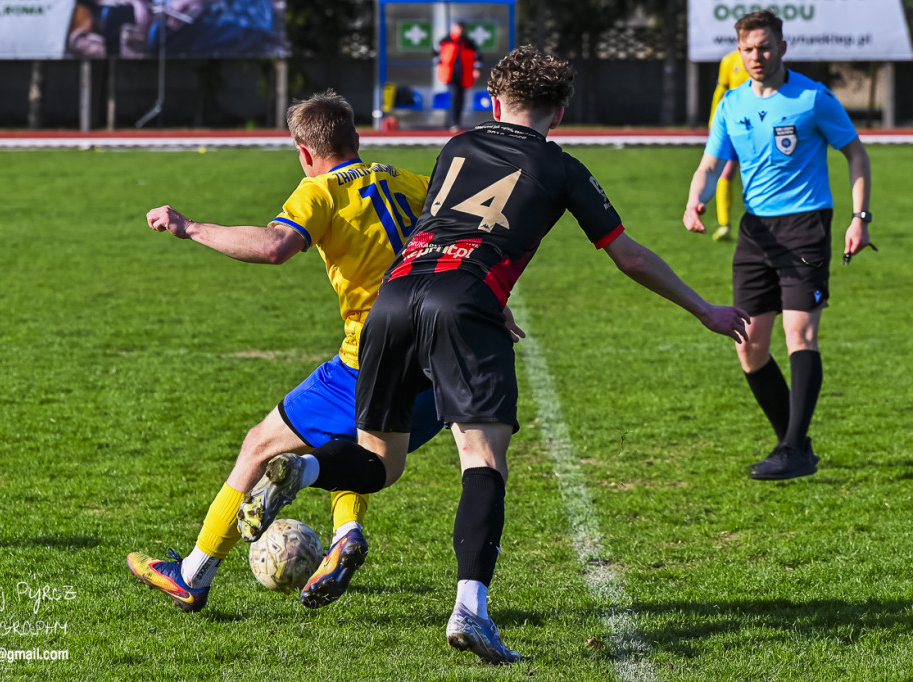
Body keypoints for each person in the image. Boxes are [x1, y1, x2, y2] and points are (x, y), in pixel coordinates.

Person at [235, 45, 750, 664]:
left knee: (381, 464)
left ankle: (307, 469)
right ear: (559, 112)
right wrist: (705, 310)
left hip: (393, 300)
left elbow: (429, 229)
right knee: (482, 459)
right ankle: (470, 612)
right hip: (466, 301)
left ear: (492, 103)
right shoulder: (563, 169)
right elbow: (629, 256)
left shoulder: (456, 144)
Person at [126, 90, 448, 613]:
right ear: (356, 140)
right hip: (439, 358)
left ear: (303, 152)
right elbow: (455, 221)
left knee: (260, 446)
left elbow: (275, 246)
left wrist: (190, 228)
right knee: (358, 451)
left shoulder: (316, 192)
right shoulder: (401, 179)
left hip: (369, 356)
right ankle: (346, 534)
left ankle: (192, 574)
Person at [683, 10, 872, 480]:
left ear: (783, 47)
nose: (756, 57)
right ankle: (798, 447)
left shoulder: (812, 98)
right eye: (747, 49)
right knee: (748, 345)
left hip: (806, 226)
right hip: (756, 232)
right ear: (738, 52)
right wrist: (695, 200)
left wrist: (859, 217)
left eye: (764, 47)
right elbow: (710, 166)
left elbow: (856, 152)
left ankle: (790, 449)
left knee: (799, 336)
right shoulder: (731, 105)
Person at [708, 48, 749, 242]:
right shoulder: (728, 60)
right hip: (734, 126)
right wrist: (713, 122)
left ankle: (765, 221)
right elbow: (720, 91)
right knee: (726, 171)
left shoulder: (766, 61)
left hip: (761, 126)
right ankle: (724, 223)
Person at [436, 22, 481, 132]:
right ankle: (452, 122)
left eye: (461, 28)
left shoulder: (469, 43)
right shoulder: (445, 41)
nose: (459, 30)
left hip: (464, 75)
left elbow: (478, 58)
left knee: (460, 98)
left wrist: (477, 69)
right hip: (449, 75)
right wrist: (440, 65)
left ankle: (456, 122)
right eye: (457, 28)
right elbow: (435, 54)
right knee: (454, 96)